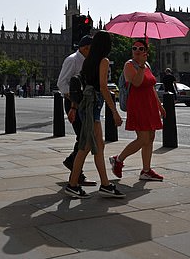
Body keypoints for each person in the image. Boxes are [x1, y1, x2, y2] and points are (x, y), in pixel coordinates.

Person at [65, 31, 124, 199]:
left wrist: (74, 107)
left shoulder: (88, 60)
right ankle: (73, 185)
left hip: (86, 106)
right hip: (93, 107)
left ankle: (104, 184)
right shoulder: (103, 61)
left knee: (97, 147)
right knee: (85, 147)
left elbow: (82, 84)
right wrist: (115, 112)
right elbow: (103, 88)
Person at [109, 39, 166, 182]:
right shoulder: (129, 65)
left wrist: (160, 106)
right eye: (134, 48)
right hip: (138, 105)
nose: (137, 51)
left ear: (146, 51)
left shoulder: (147, 65)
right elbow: (136, 83)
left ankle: (146, 170)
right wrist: (140, 66)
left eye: (141, 48)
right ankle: (118, 159)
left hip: (150, 104)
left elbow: (152, 87)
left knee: (150, 138)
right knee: (143, 138)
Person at [56, 35, 96, 187]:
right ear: (85, 48)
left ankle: (73, 164)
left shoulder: (87, 60)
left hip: (84, 103)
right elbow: (62, 84)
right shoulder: (72, 60)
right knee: (83, 137)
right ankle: (76, 171)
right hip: (73, 103)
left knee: (83, 137)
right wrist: (74, 102)